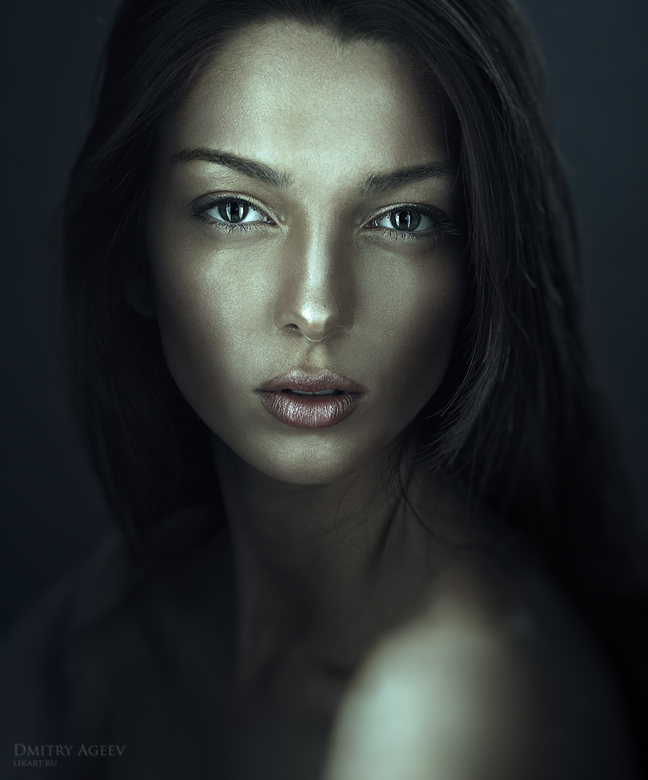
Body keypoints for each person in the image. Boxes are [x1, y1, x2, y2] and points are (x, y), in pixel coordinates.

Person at [2, 0, 646, 778]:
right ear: (133, 251)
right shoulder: (104, 624)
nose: (316, 305)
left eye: (403, 219)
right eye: (236, 209)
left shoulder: (453, 707)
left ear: (479, 266)